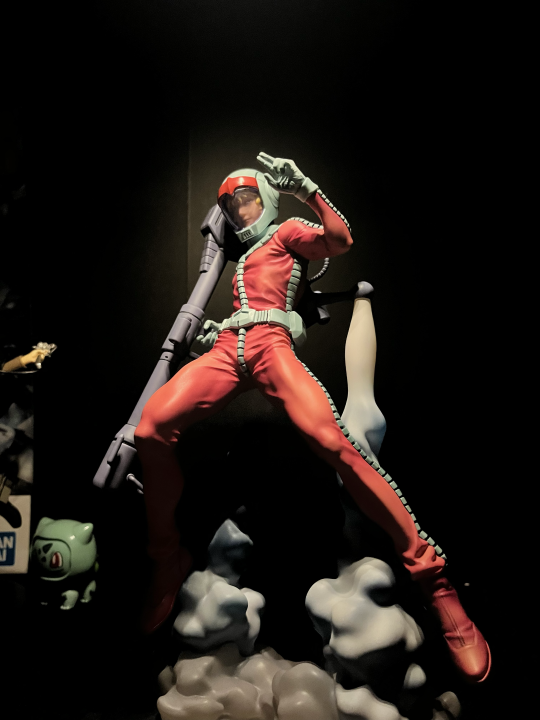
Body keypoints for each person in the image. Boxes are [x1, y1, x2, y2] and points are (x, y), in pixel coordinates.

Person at [134, 153, 490, 684]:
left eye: (247, 198)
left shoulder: (286, 234)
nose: (240, 210)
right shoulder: (242, 256)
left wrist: (306, 189)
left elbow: (339, 241)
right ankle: (167, 558)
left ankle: (434, 581)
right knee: (150, 429)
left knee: (337, 444)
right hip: (230, 349)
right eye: (231, 205)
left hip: (271, 345)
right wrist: (216, 330)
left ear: (267, 199)